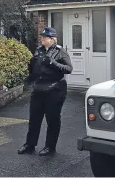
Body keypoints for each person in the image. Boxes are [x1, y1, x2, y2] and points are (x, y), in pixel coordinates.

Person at [18, 27, 73, 156]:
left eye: (44, 37)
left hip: (55, 89)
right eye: (41, 36)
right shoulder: (39, 50)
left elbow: (69, 69)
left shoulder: (60, 52)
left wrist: (53, 63)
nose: (42, 38)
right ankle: (30, 144)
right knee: (34, 119)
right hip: (39, 89)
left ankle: (50, 146)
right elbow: (34, 69)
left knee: (52, 119)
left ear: (52, 39)